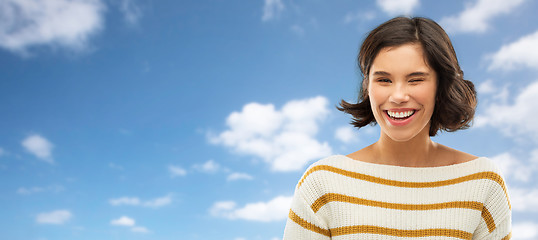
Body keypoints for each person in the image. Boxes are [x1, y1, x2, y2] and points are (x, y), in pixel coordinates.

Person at [282, 16, 511, 240]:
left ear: (440, 86)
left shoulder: (482, 182)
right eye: (384, 80)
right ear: (367, 87)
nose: (398, 96)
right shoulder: (322, 184)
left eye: (415, 80)